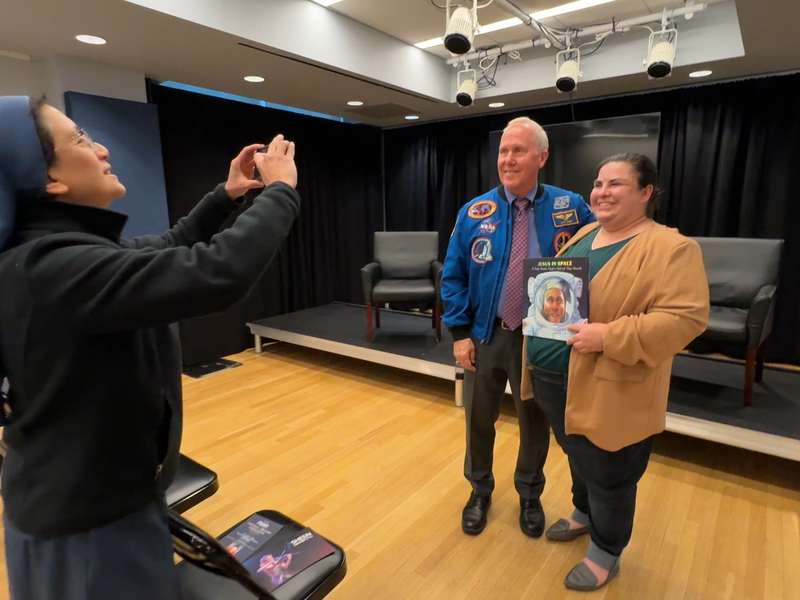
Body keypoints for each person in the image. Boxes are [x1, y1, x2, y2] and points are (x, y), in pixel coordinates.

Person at [0, 95, 301, 600]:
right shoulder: (48, 270)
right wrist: (282, 192)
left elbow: (169, 244)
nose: (102, 150)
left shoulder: (59, 256)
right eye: (80, 140)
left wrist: (225, 197)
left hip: (104, 505)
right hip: (87, 529)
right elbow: (217, 272)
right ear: (49, 179)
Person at [520, 153, 710, 592]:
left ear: (646, 193)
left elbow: (686, 319)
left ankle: (607, 549)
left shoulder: (673, 248)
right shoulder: (586, 233)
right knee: (579, 459)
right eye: (598, 183)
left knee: (611, 473)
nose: (601, 192)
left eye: (616, 184)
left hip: (611, 386)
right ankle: (583, 514)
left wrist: (610, 336)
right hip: (555, 383)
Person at [441, 116, 595, 538]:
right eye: (503, 151)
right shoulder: (475, 212)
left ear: (542, 157)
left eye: (519, 151)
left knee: (535, 422)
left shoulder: (572, 208)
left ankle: (530, 494)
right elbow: (453, 276)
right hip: (485, 334)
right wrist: (458, 334)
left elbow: (594, 266)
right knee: (478, 419)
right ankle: (479, 491)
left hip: (543, 338)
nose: (507, 159)